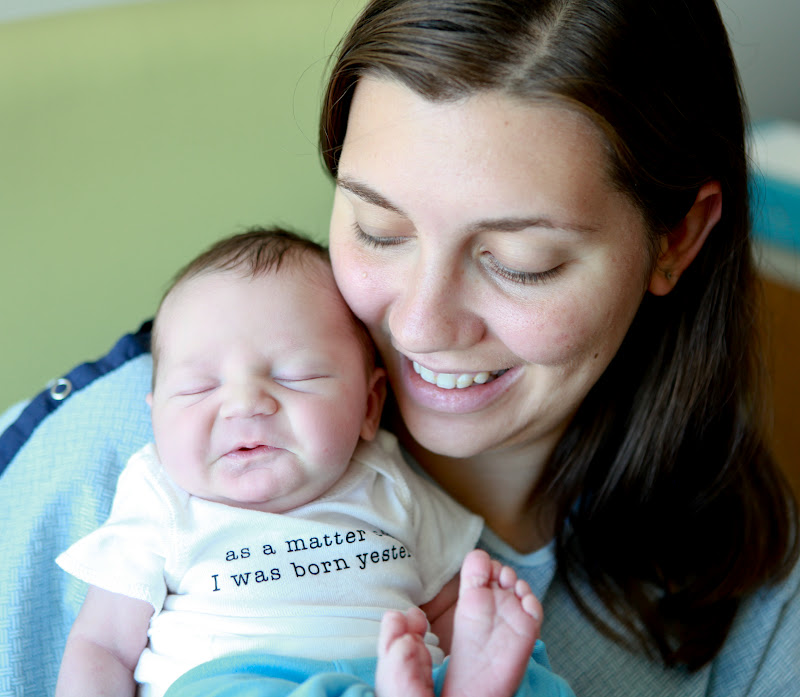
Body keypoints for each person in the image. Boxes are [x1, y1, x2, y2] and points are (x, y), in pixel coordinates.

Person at [2, 1, 799, 695]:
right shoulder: (104, 464)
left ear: (677, 238)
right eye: (380, 230)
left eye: (520, 262)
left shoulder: (753, 589)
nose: (419, 326)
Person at [53, 228, 565, 697]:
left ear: (369, 406)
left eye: (294, 376)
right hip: (236, 679)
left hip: (391, 666)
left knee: (533, 680)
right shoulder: (160, 493)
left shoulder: (388, 478)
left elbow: (445, 604)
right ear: (155, 419)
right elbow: (103, 645)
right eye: (198, 387)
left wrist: (471, 635)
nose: (245, 404)